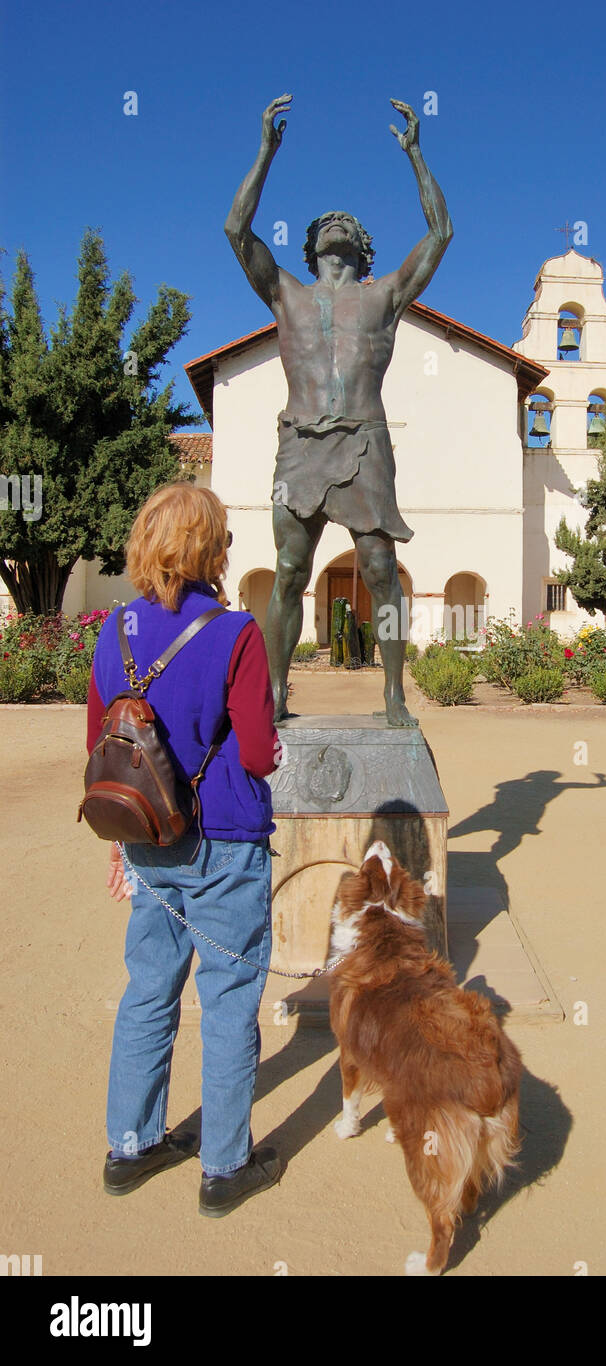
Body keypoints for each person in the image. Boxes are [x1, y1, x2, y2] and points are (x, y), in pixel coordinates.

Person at [224, 93, 452, 726]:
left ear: (361, 244)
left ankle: (394, 693)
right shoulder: (285, 295)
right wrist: (266, 151)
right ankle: (275, 693)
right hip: (299, 442)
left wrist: (415, 156)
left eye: (347, 221)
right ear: (311, 244)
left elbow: (440, 234)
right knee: (291, 569)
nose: (337, 222)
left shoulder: (384, 298)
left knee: (381, 568)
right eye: (327, 220)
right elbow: (237, 232)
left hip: (365, 441)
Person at [86, 481, 283, 1216]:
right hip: (226, 839)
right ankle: (225, 1168)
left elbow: (103, 746)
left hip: (148, 839)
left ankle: (130, 1147)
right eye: (225, 540)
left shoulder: (113, 630)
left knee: (147, 992)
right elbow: (259, 755)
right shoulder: (237, 633)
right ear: (207, 550)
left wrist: (118, 846)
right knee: (229, 1001)